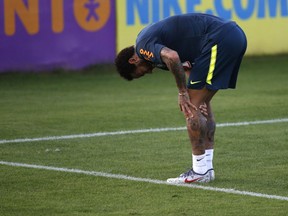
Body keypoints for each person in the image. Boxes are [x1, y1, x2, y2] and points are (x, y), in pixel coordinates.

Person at [115, 13, 247, 183]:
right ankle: (207, 168)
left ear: (134, 59)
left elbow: (173, 57)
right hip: (233, 36)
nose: (149, 72)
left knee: (190, 105)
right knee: (200, 104)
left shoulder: (143, 47)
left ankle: (199, 172)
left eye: (141, 72)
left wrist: (182, 92)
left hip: (220, 39)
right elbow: (187, 66)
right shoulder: (151, 48)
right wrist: (196, 93)